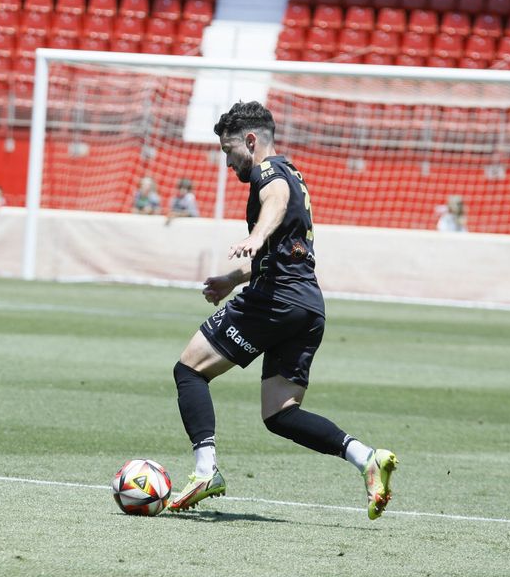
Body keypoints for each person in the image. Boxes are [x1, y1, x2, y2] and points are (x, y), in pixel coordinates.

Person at [167, 100, 398, 518]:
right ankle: (367, 458)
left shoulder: (269, 173)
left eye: (228, 151)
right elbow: (284, 249)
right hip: (308, 306)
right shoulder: (294, 171)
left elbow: (275, 199)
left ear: (251, 141)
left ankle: (205, 471)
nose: (227, 163)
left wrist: (255, 236)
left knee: (189, 369)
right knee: (280, 414)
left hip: (274, 301)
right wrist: (233, 278)